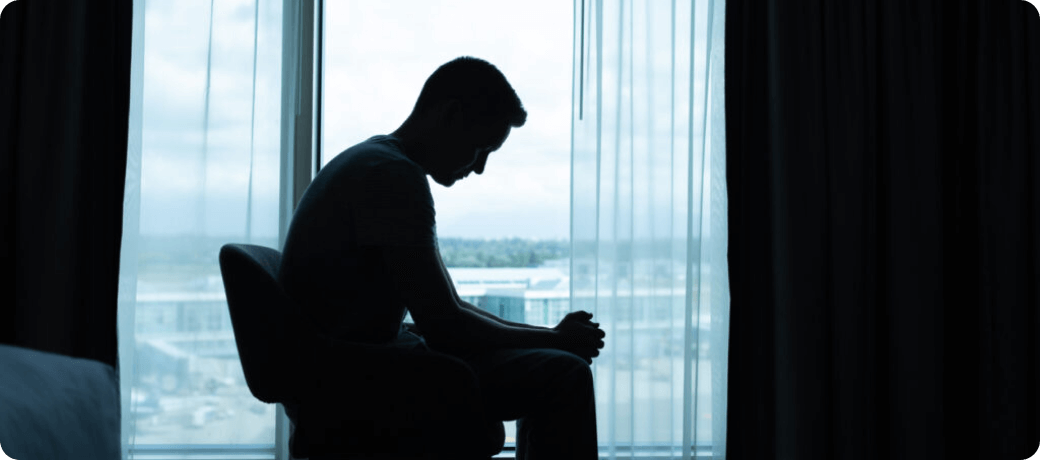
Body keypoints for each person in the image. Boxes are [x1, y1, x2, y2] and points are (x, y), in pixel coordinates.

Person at [278, 56, 605, 460]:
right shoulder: (392, 176)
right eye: (481, 147)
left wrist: (551, 335)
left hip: (348, 368)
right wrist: (554, 339)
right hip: (358, 380)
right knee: (565, 375)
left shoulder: (375, 161)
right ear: (452, 115)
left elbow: (448, 310)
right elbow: (446, 325)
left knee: (553, 359)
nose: (481, 168)